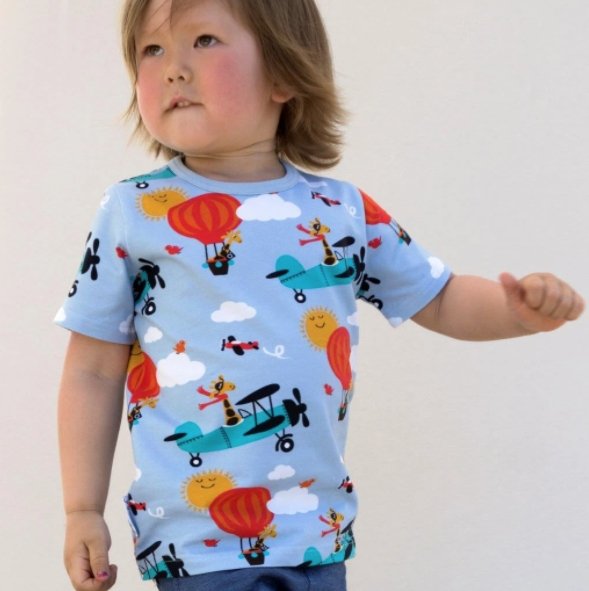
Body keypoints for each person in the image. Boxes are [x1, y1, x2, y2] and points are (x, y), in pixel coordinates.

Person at [55, 1, 585, 590]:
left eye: (203, 40)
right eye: (151, 50)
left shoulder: (341, 210)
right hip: (197, 545)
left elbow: (439, 297)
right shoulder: (133, 211)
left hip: (317, 534)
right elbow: (92, 370)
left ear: (284, 75)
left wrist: (517, 312)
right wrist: (82, 509)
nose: (173, 67)